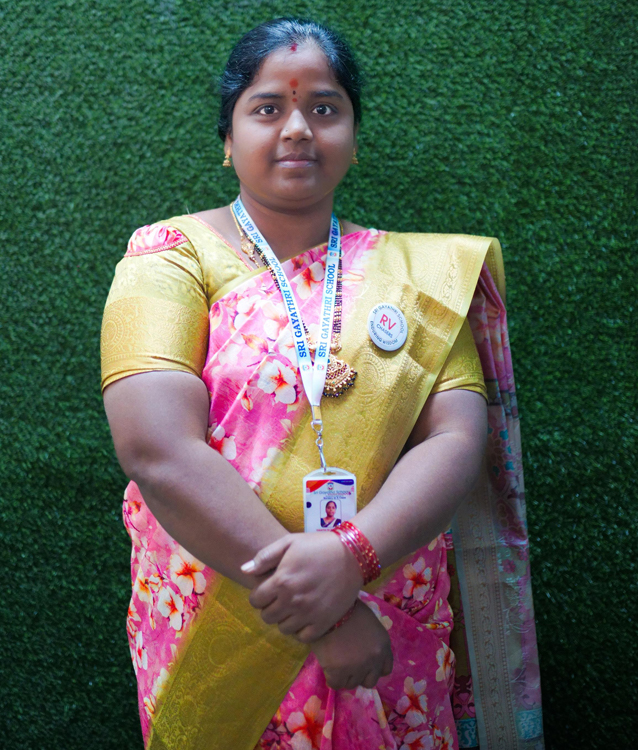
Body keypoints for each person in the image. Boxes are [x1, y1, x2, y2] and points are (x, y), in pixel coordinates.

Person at [101, 18, 543, 750]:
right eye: (268, 107)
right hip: (225, 622)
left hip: (390, 617)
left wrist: (352, 557)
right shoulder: (169, 257)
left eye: (325, 107)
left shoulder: (417, 279)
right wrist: (330, 614)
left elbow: (457, 438)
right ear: (228, 137)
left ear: (354, 137)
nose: (298, 128)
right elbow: (156, 448)